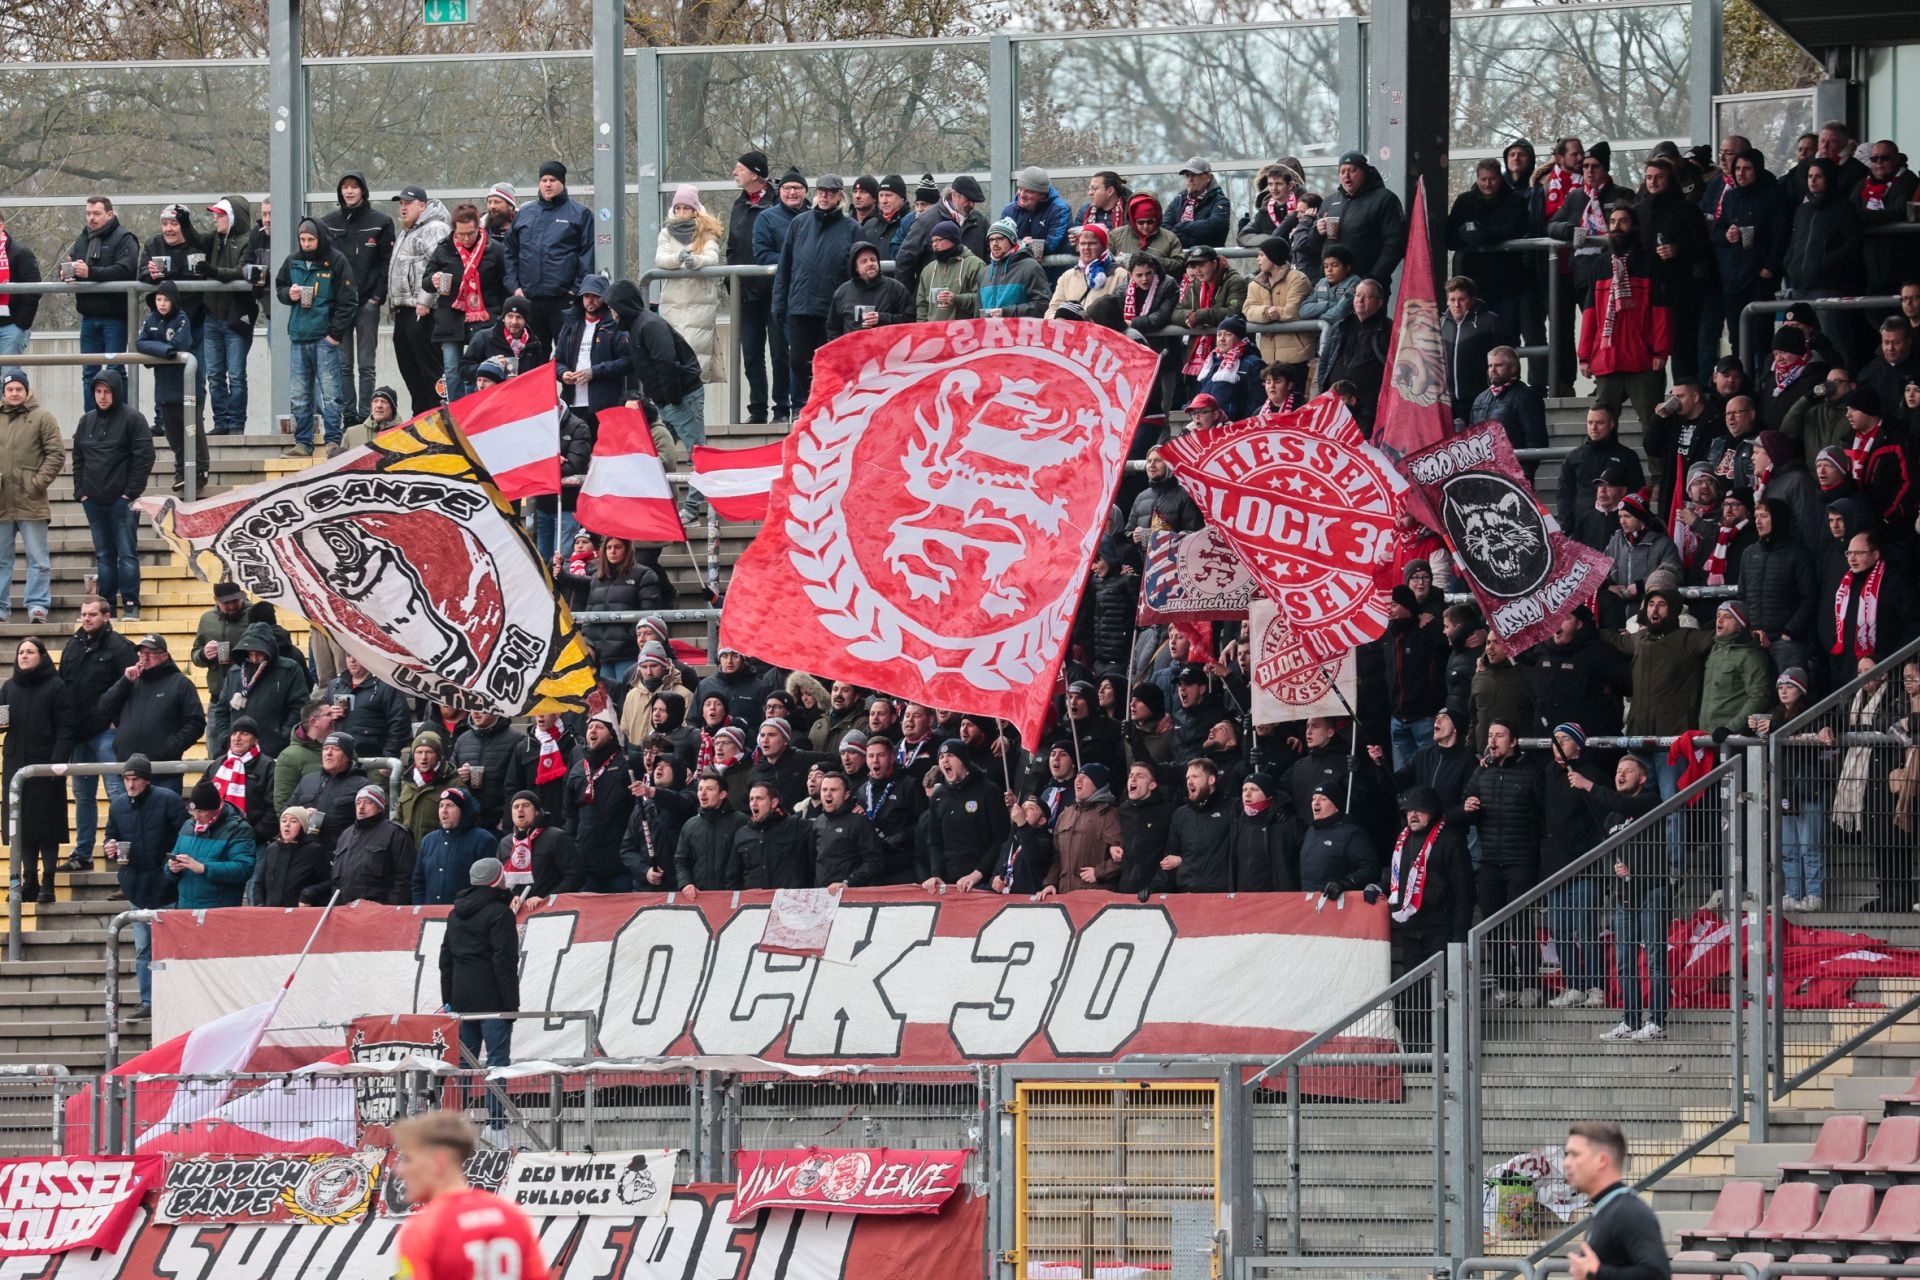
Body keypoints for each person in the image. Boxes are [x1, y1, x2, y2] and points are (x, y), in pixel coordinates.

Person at [391, 1110, 547, 1267]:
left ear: (439, 1161)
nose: (399, 1170)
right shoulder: (512, 1218)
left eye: (409, 1159)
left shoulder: (424, 1231)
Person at [440, 855, 521, 1129]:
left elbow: (445, 960)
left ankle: (453, 1125)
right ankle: (496, 1125)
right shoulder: (500, 913)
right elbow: (505, 961)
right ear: (497, 879)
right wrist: (511, 1004)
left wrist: (449, 1000)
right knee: (496, 1063)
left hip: (462, 1000)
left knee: (464, 1063)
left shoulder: (454, 914)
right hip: (493, 1001)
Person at [1578, 204, 1669, 432]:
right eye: (1612, 222)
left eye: (1623, 221)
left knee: (1653, 427)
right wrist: (1584, 356)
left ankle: (1658, 461)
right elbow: (1590, 314)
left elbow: (1661, 311)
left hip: (1643, 359)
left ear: (1635, 227)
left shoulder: (1650, 262)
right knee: (1602, 428)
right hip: (1607, 359)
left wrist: (1660, 350)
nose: (1616, 227)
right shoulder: (1600, 264)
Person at [105, 755, 185, 1015]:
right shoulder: (118, 805)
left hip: (166, 885)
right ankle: (148, 1001)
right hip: (136, 887)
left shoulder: (168, 800)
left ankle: (173, 998)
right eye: (127, 779)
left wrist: (171, 867)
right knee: (143, 948)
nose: (131, 784)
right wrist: (110, 846)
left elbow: (185, 834)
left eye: (136, 779)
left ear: (147, 780)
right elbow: (111, 835)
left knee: (171, 947)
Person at [71, 370, 154, 620]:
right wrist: (81, 492)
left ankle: (130, 603)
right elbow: (78, 458)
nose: (102, 396)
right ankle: (106, 606)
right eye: (98, 391)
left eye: (107, 391)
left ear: (116, 392)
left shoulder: (133, 419)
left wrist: (130, 493)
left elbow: (145, 457)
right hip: (93, 501)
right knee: (104, 556)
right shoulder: (86, 421)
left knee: (126, 554)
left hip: (122, 501)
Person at [276, 217, 359, 458]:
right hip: (298, 337)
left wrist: (334, 335)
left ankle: (332, 442)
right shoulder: (293, 260)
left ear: (320, 238)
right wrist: (288, 294)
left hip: (324, 339)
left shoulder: (336, 261)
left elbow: (349, 300)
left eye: (310, 239)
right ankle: (303, 443)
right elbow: (279, 286)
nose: (306, 244)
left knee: (331, 394)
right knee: (299, 396)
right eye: (302, 239)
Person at [773, 174, 855, 407]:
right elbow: (785, 267)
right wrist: (779, 303)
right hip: (801, 305)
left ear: (839, 196)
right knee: (798, 360)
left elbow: (855, 274)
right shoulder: (799, 223)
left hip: (833, 308)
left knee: (831, 361)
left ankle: (830, 403)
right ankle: (817, 399)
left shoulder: (851, 228)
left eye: (830, 192)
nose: (824, 196)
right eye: (821, 191)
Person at [319, 172, 394, 422]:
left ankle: (366, 417)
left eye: (354, 187)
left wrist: (377, 298)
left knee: (366, 365)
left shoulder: (381, 222)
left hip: (367, 304)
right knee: (343, 365)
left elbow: (386, 263)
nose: (349, 191)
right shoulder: (328, 222)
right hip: (339, 305)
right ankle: (349, 418)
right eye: (345, 187)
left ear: (363, 190)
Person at [2, 636, 71, 904]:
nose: (24, 656)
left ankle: (48, 881)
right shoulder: (9, 687)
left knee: (47, 827)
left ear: (41, 656)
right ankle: (29, 880)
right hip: (15, 764)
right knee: (21, 825)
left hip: (46, 766)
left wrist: (56, 764)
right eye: (21, 652)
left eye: (30, 651)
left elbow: (66, 728)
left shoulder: (56, 686)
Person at [506, 159, 594, 348]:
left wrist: (575, 290)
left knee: (568, 353)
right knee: (533, 355)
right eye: (544, 180)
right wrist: (514, 286)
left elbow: (587, 254)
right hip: (528, 299)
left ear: (562, 182)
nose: (547, 184)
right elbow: (510, 252)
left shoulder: (580, 214)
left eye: (552, 180)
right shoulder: (525, 213)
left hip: (563, 300)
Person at [1563, 1122, 1670, 1279]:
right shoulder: (1607, 1209)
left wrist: (1596, 1273)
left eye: (1575, 1154)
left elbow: (1658, 1275)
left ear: (1602, 1160)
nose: (1566, 1163)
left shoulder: (1629, 1212)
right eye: (1567, 1155)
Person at [425, 203, 508, 404]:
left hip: (485, 317)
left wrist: (501, 316)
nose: (466, 238)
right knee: (452, 370)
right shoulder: (444, 248)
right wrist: (433, 280)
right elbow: (426, 282)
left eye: (470, 233)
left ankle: (476, 410)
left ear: (478, 227)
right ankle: (456, 411)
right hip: (450, 317)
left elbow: (504, 284)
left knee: (479, 370)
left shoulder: (494, 249)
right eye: (461, 234)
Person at [99, 635, 204, 786]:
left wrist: (171, 747)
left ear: (165, 656)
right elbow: (104, 708)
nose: (145, 658)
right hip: (128, 772)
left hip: (163, 772)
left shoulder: (180, 683)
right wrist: (124, 682)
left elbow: (196, 723)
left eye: (151, 653)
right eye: (142, 653)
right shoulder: (130, 682)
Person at [0, 373, 62, 624]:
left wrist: (37, 484)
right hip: (2, 503)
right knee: (1, 560)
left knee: (38, 559)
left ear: (27, 391)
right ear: (4, 392)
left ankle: (37, 605)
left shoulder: (43, 417)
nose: (14, 393)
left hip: (32, 502)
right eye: (10, 389)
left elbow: (56, 454)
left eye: (19, 388)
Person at [1448, 159, 1532, 337]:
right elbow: (1449, 238)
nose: (1488, 184)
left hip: (1506, 282)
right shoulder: (1464, 201)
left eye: (1492, 179)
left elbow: (1517, 228)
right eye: (1483, 179)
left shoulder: (1515, 199)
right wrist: (1464, 235)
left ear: (1500, 178)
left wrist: (1485, 235)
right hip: (1473, 283)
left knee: (1506, 334)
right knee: (1472, 336)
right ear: (1477, 179)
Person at [65, 197, 141, 394]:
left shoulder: (125, 238)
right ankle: (92, 413)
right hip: (88, 317)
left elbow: (126, 270)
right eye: (88, 213)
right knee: (89, 372)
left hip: (115, 317)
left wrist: (90, 273)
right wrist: (66, 272)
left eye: (96, 213)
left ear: (110, 214)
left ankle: (121, 414)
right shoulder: (83, 239)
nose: (91, 218)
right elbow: (76, 265)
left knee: (115, 370)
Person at [132, 280, 201, 494]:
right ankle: (181, 471)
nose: (161, 304)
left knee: (192, 432)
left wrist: (158, 349)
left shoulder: (182, 319)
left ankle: (200, 470)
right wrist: (165, 351)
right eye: (158, 299)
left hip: (187, 389)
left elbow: (181, 344)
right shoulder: (151, 320)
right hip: (164, 390)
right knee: (173, 436)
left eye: (166, 300)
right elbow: (140, 343)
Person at [654, 184, 724, 388]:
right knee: (673, 350)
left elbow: (712, 258)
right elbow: (660, 259)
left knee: (696, 348)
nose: (682, 212)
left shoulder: (706, 231)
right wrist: (678, 258)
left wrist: (697, 262)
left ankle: (695, 390)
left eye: (686, 208)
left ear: (695, 210)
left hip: (700, 300)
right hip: (673, 301)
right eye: (678, 208)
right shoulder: (666, 233)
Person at [562, 709, 634, 892]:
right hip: (586, 862)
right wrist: (572, 847)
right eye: (590, 727)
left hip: (620, 863)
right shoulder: (578, 768)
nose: (592, 731)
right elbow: (570, 814)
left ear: (612, 733)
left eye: (599, 727)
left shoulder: (628, 763)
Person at [165, 779, 258, 909]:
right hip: (186, 909)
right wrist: (172, 868)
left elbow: (244, 868)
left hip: (218, 910)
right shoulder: (188, 826)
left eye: (201, 811)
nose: (196, 817)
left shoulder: (238, 829)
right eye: (193, 811)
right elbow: (175, 858)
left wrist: (204, 868)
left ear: (216, 809)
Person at [553, 274, 630, 426]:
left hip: (605, 406)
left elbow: (627, 362)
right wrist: (563, 373)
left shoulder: (615, 326)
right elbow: (557, 361)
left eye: (596, 296)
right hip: (572, 404)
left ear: (605, 298)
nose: (590, 300)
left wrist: (594, 372)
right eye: (587, 296)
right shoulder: (570, 325)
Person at [1324, 279, 1391, 432]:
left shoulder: (1389, 331)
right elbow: (1324, 363)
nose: (1360, 300)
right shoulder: (1340, 326)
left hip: (1369, 409)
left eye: (1366, 297)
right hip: (1335, 405)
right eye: (1358, 295)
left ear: (1379, 303)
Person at [289, 732, 371, 854]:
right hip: (304, 853)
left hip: (341, 853)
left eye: (335, 749)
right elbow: (287, 811)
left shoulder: (362, 785)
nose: (328, 753)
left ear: (347, 756)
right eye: (326, 748)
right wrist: (301, 814)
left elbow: (369, 825)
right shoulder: (308, 780)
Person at [1472, 347, 1548, 469]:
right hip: (1485, 472)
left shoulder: (1527, 396)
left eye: (1498, 365)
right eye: (1490, 366)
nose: (1493, 370)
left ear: (1513, 368)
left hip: (1514, 472)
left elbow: (1536, 440)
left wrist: (1524, 473)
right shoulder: (1480, 398)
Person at [1441, 277, 1504, 420]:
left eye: (1462, 299)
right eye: (1452, 300)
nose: (1456, 305)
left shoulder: (1489, 321)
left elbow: (1504, 358)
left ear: (1472, 299)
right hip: (1448, 405)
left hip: (1481, 402)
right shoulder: (1441, 324)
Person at [827, 241, 912, 338]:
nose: (870, 264)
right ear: (855, 267)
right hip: (853, 346)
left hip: (885, 345)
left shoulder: (895, 288)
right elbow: (832, 329)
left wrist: (883, 318)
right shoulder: (842, 292)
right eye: (864, 261)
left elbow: (910, 320)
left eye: (873, 260)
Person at [250, 805, 328, 907]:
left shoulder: (314, 850)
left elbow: (329, 882)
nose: (287, 824)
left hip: (299, 913)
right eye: (284, 821)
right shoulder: (272, 848)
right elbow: (259, 884)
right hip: (272, 912)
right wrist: (260, 905)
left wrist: (310, 893)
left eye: (293, 821)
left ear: (302, 826)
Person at [0, 212, 42, 380]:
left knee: (7, 378)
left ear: (1, 225)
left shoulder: (21, 253)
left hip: (11, 327)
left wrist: (21, 325)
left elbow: (33, 289)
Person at [979, 219, 1049, 319]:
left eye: (1000, 238)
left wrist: (1007, 312)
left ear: (1012, 240)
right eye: (991, 239)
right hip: (990, 329)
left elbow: (1044, 305)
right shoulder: (984, 273)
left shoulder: (1030, 267)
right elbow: (978, 313)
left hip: (1021, 329)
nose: (994, 243)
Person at [1047, 223, 1120, 319]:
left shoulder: (1119, 275)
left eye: (1092, 243)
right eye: (1082, 243)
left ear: (1103, 246)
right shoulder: (1067, 276)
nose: (1086, 248)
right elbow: (1052, 310)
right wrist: (1061, 321)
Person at [915, 221, 983, 322]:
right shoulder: (928, 270)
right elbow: (922, 305)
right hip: (934, 330)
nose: (934, 244)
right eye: (933, 241)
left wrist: (956, 299)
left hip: (964, 329)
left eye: (939, 240)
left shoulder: (975, 265)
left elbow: (982, 299)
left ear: (953, 239)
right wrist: (922, 327)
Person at [1003, 166, 1074, 262]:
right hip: (1017, 269)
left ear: (1042, 194)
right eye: (1020, 189)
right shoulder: (1009, 211)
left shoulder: (1060, 210)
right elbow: (1001, 241)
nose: (1022, 194)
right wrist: (1021, 245)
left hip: (1052, 270)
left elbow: (1052, 245)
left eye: (1029, 191)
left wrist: (1025, 246)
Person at [1109, 194, 1186, 276]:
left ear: (1156, 219)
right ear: (1133, 220)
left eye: (1150, 222)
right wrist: (1119, 263)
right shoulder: (1116, 236)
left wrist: (1153, 261)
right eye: (1141, 222)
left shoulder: (1170, 238)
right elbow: (1104, 261)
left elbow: (1179, 264)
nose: (1145, 226)